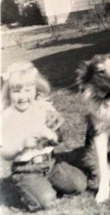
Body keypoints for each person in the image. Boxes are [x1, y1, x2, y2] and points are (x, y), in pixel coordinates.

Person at [0, 61, 87, 211]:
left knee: (79, 185)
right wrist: (21, 145)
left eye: (28, 90)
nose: (22, 96)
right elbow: (5, 153)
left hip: (51, 164)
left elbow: (57, 139)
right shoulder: (6, 118)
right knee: (47, 201)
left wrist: (52, 136)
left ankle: (47, 184)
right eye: (16, 91)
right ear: (8, 93)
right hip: (26, 169)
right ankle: (32, 189)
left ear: (36, 91)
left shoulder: (41, 110)